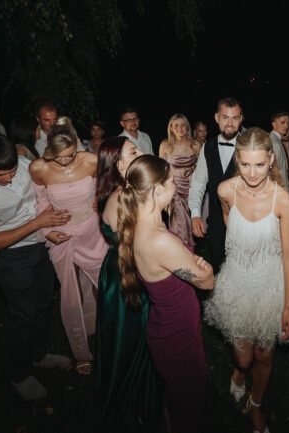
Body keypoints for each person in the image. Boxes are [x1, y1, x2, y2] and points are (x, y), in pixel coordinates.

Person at [0, 133, 72, 401]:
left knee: (43, 304)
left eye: (12, 171)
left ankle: (39, 355)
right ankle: (19, 374)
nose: (9, 178)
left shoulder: (23, 164)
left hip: (40, 246)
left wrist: (48, 227)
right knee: (23, 316)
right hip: (10, 257)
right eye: (0, 174)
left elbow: (43, 191)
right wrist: (37, 224)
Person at [204, 128, 289, 433]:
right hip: (237, 282)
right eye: (245, 164)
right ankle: (239, 372)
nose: (252, 172)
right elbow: (228, 228)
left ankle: (256, 404)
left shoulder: (283, 200)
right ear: (238, 160)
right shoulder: (225, 191)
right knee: (245, 359)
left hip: (272, 284)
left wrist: (287, 306)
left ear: (271, 159)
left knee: (266, 354)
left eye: (259, 164)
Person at [118, 155, 214, 433]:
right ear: (158, 190)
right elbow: (207, 283)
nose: (176, 185)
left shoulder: (140, 225)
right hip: (177, 336)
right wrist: (204, 268)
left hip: (166, 327)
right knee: (190, 409)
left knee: (176, 400)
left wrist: (189, 261)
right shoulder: (158, 240)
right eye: (172, 181)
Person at [93, 137, 164, 431]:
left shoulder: (119, 191)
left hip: (118, 272)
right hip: (128, 276)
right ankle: (130, 403)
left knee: (129, 340)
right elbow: (143, 242)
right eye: (134, 151)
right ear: (120, 165)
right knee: (130, 341)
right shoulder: (123, 197)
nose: (142, 152)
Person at [29, 124, 108, 375]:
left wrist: (100, 199)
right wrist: (47, 231)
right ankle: (81, 352)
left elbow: (107, 186)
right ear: (49, 149)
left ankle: (108, 332)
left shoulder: (91, 160)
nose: (65, 161)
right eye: (59, 156)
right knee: (71, 293)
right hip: (62, 235)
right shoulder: (38, 168)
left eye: (70, 155)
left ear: (77, 145)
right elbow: (41, 202)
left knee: (103, 285)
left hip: (93, 231)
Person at [189, 97, 245, 272]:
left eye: (235, 118)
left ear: (241, 119)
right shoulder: (208, 147)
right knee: (219, 268)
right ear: (216, 118)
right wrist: (195, 214)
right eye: (225, 117)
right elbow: (198, 184)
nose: (230, 123)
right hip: (216, 221)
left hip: (245, 220)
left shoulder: (249, 145)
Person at [159, 113, 198, 246]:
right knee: (178, 222)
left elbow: (202, 167)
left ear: (187, 127)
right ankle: (180, 248)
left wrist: (193, 169)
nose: (180, 129)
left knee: (190, 221)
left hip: (191, 188)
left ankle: (188, 250)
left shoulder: (195, 145)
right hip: (174, 189)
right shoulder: (165, 145)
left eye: (183, 125)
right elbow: (161, 170)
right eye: (176, 126)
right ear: (171, 128)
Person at [269, 111, 289, 191]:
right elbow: (279, 171)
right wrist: (286, 190)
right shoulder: (275, 143)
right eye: (282, 122)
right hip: (280, 188)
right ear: (274, 124)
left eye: (288, 123)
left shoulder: (275, 139)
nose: (286, 126)